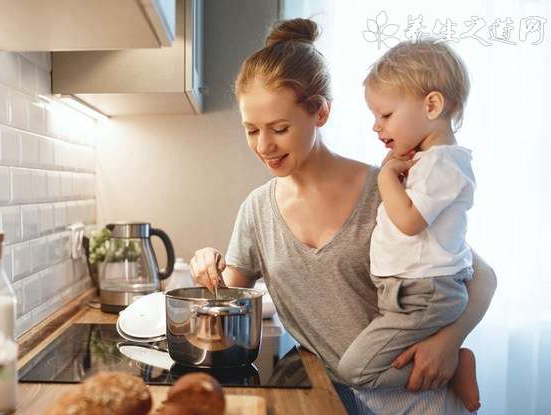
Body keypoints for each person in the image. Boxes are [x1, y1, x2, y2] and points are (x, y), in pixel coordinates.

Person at [190, 18, 497, 414]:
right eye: (251, 130)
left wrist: (450, 343)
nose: (264, 145)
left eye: (279, 128)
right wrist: (206, 265)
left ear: (320, 112)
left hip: (421, 397)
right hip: (336, 399)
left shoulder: (386, 188)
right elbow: (228, 298)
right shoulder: (256, 211)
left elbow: (481, 276)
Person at [334, 39, 480, 412]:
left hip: (424, 293)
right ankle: (450, 365)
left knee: (354, 371)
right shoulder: (428, 162)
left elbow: (410, 222)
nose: (375, 126)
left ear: (431, 105)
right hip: (407, 293)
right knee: (360, 366)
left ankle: (450, 370)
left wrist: (385, 179)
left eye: (385, 115)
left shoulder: (443, 164)